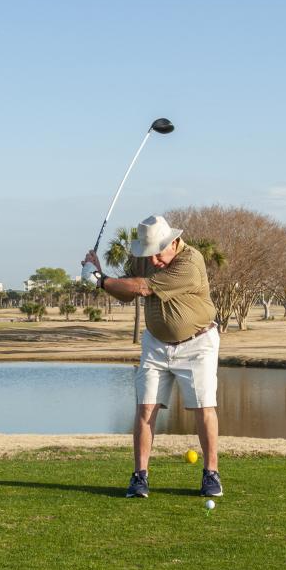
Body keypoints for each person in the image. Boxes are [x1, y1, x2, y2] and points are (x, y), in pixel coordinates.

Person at [82, 214, 222, 499]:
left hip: (197, 344)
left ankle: (211, 474)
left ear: (174, 241)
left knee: (203, 407)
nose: (154, 260)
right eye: (149, 255)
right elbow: (127, 293)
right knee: (145, 408)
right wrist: (99, 273)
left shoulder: (191, 262)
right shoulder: (145, 257)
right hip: (156, 345)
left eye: (159, 253)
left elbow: (145, 287)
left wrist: (99, 280)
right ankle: (140, 477)